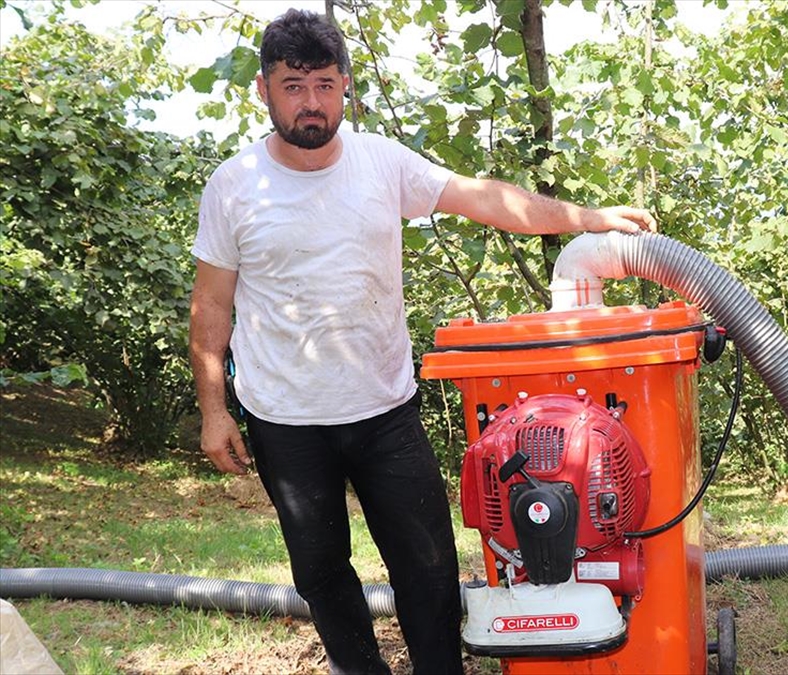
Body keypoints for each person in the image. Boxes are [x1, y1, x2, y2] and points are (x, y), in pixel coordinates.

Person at [187, 9, 656, 675]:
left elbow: (486, 199)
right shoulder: (235, 186)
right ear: (263, 90)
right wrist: (213, 409)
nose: (311, 102)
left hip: (384, 409)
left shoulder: (383, 163)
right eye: (293, 86)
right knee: (321, 574)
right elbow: (211, 305)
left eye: (324, 84)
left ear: (346, 85)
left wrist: (586, 219)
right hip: (285, 421)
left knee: (429, 567)